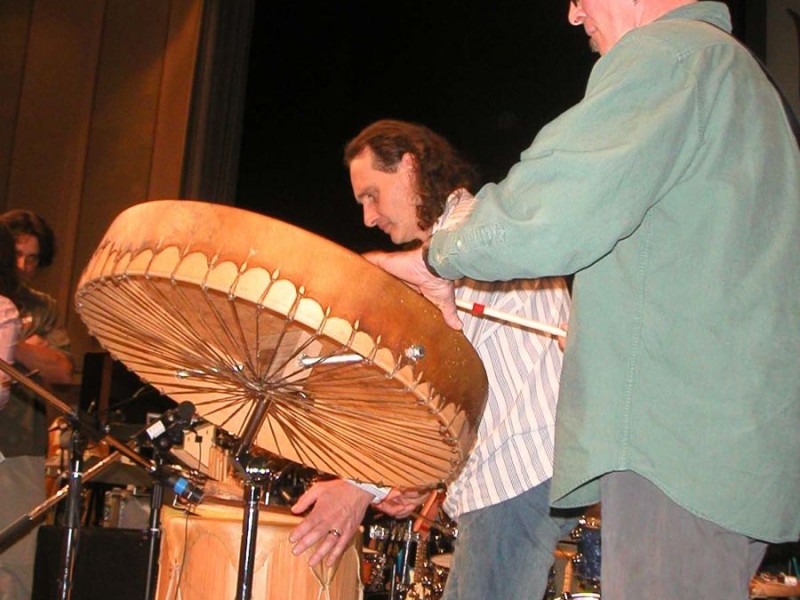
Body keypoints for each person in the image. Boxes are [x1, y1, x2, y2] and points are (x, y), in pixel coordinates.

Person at [362, 2, 800, 599]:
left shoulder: (668, 55)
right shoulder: (743, 82)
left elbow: (549, 211)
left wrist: (438, 255)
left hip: (671, 446)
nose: (573, 16)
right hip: (727, 451)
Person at [289, 119, 576, 600]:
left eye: (372, 195)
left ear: (408, 166)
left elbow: (427, 390)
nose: (368, 218)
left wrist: (362, 488)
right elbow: (465, 393)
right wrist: (420, 479)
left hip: (517, 471)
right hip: (524, 470)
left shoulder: (468, 231)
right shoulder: (471, 238)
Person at [0, 209, 73, 599]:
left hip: (19, 445)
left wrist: (13, 344)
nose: (24, 266)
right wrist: (33, 351)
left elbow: (61, 369)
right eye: (16, 254)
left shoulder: (42, 306)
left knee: (15, 558)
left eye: (33, 258)